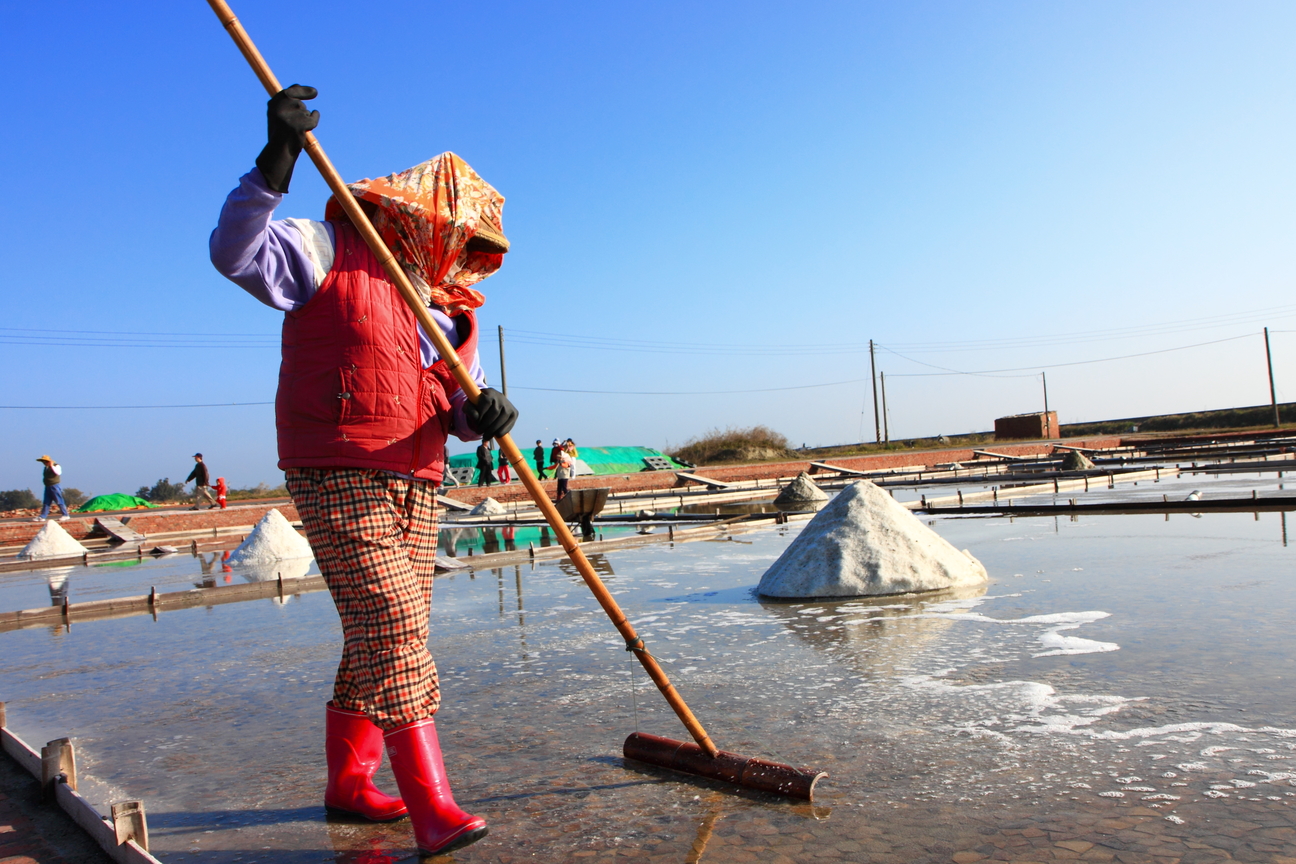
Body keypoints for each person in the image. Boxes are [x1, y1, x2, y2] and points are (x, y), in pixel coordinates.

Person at [209, 84, 517, 857]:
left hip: (417, 476)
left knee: (377, 634)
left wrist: (480, 417)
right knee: (394, 623)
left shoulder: (451, 315)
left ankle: (349, 784)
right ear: (403, 213)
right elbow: (235, 252)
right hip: (335, 462)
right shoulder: (324, 251)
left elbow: (449, 407)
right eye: (443, 230)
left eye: (463, 240)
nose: (449, 247)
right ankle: (432, 806)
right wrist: (274, 160)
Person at [33, 455, 70, 522]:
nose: (44, 463)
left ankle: (65, 515)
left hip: (54, 486)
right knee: (46, 502)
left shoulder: (56, 466)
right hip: (48, 486)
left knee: (59, 501)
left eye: (45, 461)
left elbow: (58, 473)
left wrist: (52, 466)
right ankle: (42, 516)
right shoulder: (46, 468)